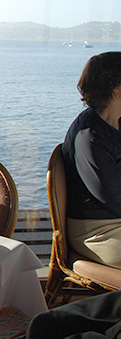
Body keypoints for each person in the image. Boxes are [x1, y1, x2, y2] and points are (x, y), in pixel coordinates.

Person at [63, 51, 121, 269]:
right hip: (98, 231)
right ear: (116, 87)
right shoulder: (89, 136)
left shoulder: (114, 123)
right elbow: (115, 199)